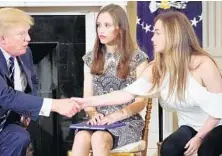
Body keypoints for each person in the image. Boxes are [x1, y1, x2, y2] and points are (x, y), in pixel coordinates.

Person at [72, 11, 222, 156]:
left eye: (157, 33)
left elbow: (218, 109)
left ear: (173, 35)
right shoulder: (158, 67)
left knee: (206, 150)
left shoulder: (203, 65)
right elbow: (125, 95)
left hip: (217, 123)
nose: (152, 39)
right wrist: (84, 102)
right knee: (168, 149)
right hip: (189, 126)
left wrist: (200, 137)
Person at [0, 8, 80, 156]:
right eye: (22, 34)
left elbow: (32, 81)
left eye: (28, 32)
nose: (28, 38)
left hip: (3, 123)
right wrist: (54, 104)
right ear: (1, 38)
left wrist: (26, 111)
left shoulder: (24, 52)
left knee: (19, 137)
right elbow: (5, 95)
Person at [71, 4, 148, 156]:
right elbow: (88, 99)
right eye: (99, 25)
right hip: (98, 121)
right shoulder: (90, 58)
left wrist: (114, 116)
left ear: (120, 28)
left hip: (126, 120)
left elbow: (140, 102)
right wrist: (93, 114)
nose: (101, 30)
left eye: (107, 25)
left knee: (99, 138)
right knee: (81, 137)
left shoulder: (138, 58)